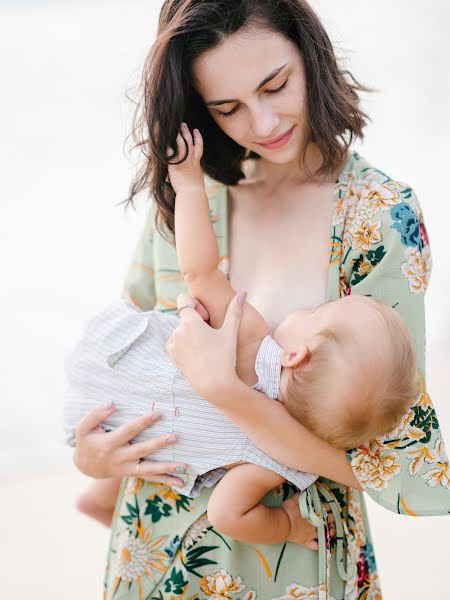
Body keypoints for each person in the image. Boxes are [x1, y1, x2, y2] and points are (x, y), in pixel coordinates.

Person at [71, 1, 450, 598]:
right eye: (228, 108)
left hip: (292, 558)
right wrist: (93, 457)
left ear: (310, 56)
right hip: (155, 550)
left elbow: (394, 470)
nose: (264, 121)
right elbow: (124, 357)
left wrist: (227, 394)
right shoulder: (192, 194)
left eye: (276, 85)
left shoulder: (379, 218)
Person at [65, 123, 418, 545]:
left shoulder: (250, 339)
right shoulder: (285, 457)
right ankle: (102, 494)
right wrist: (286, 526)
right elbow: (227, 512)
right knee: (167, 429)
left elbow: (199, 270)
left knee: (169, 365)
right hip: (119, 419)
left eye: (322, 311)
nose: (313, 305)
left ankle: (101, 493)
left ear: (295, 355)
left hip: (112, 360)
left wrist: (190, 187)